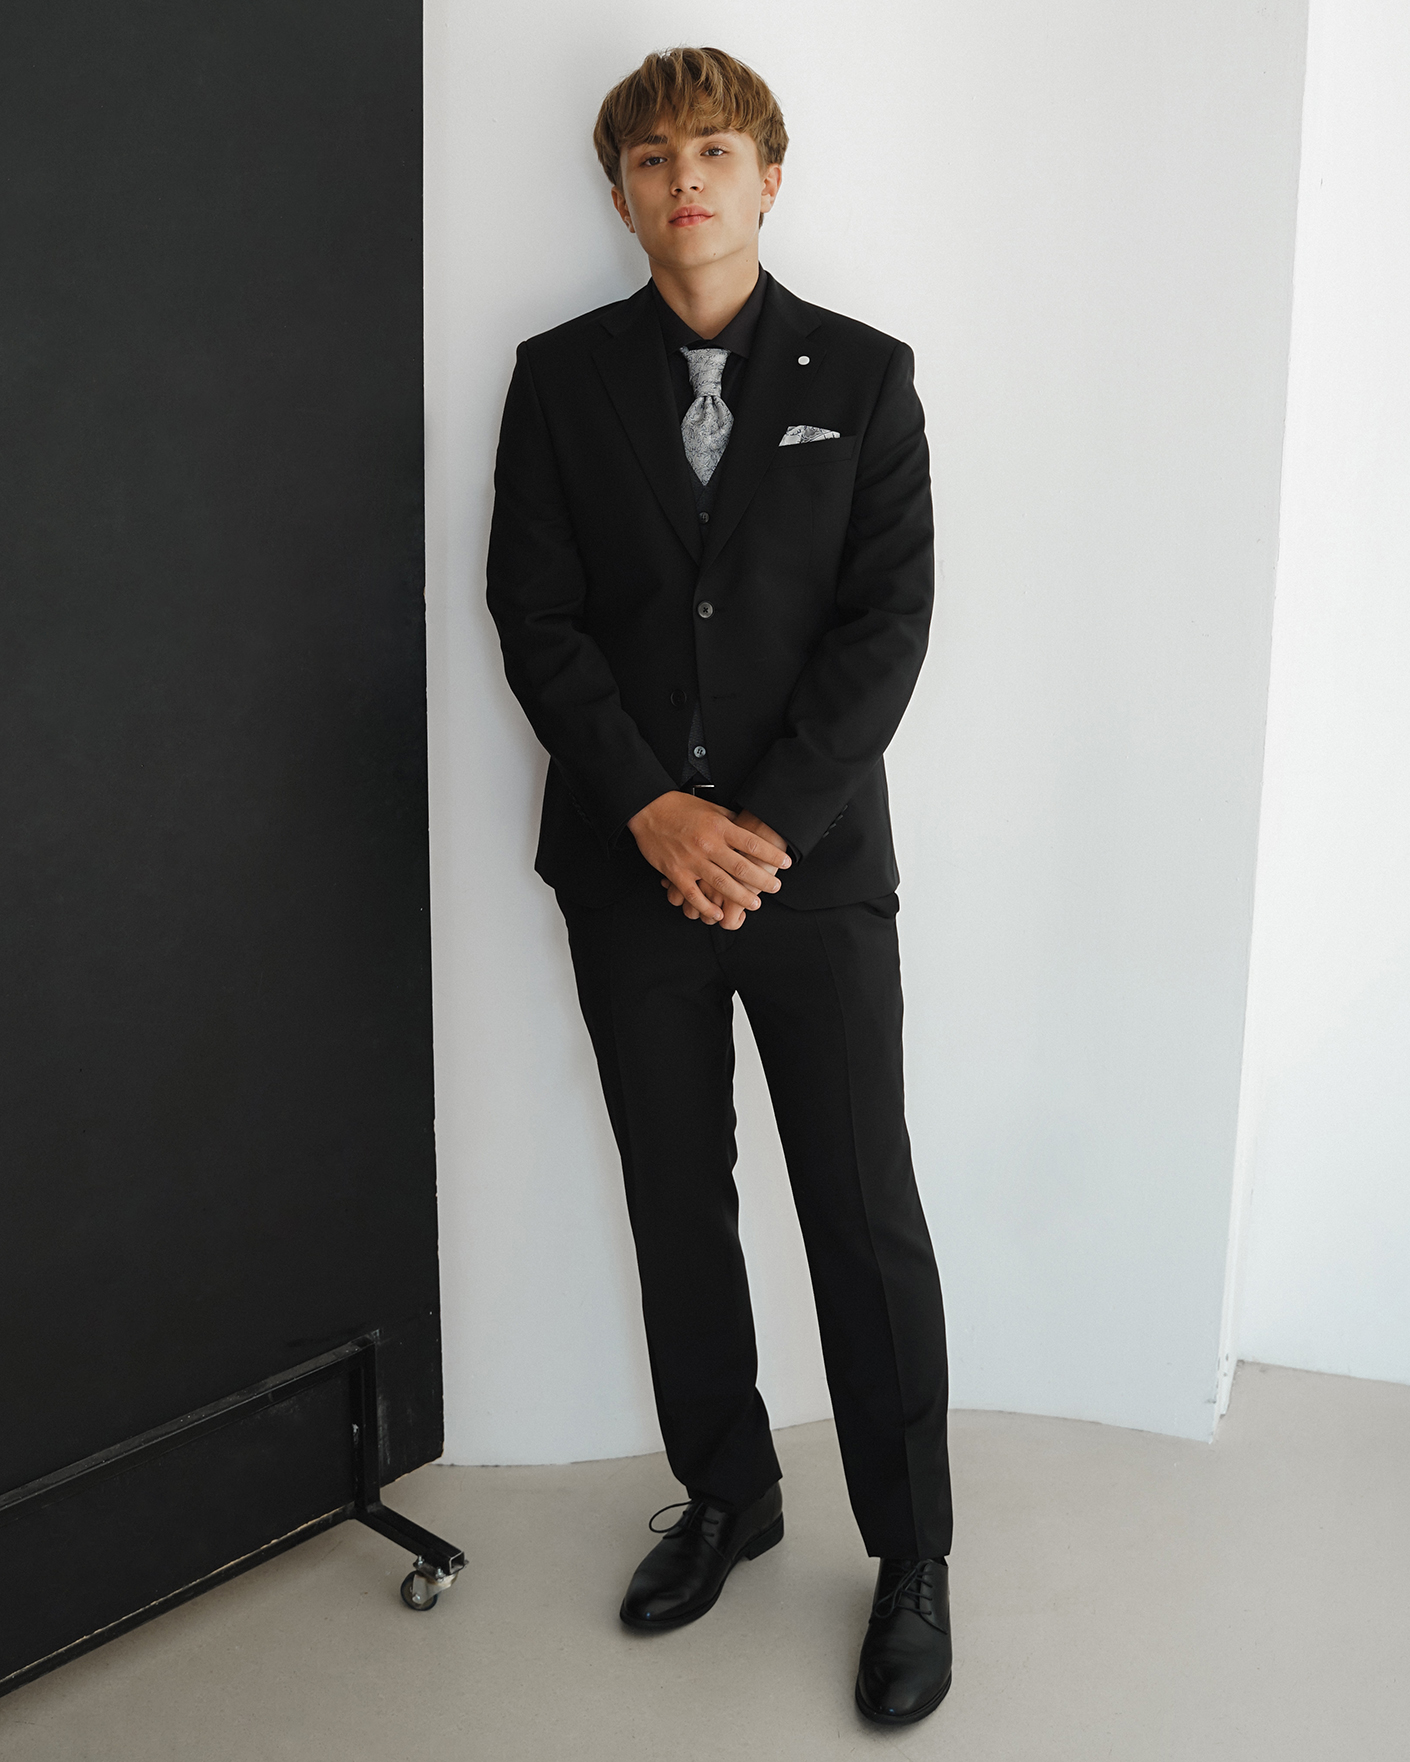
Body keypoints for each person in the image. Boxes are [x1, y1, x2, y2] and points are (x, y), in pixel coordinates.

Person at [486, 45, 952, 1727]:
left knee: (858, 1206)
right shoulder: (558, 379)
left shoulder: (866, 376)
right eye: (650, 158)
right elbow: (534, 615)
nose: (682, 179)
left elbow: (884, 625)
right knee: (676, 1196)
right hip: (627, 871)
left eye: (712, 150)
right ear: (619, 193)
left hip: (808, 870)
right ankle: (728, 1492)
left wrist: (754, 827)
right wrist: (652, 814)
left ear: (767, 177)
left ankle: (911, 1553)